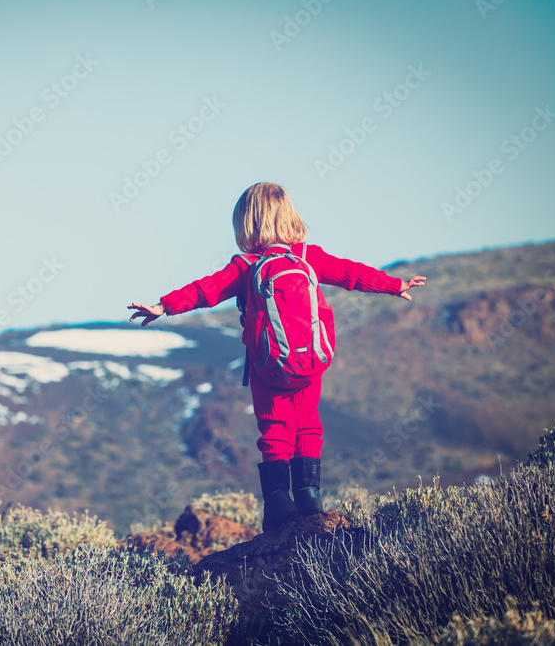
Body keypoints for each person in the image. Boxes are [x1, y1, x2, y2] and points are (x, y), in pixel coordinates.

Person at [128, 182, 426, 530]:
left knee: (275, 429)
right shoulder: (306, 256)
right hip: (310, 363)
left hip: (267, 365)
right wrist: (394, 285)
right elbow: (350, 273)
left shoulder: (245, 266)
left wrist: (163, 306)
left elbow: (205, 290)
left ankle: (278, 503)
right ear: (288, 218)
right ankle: (310, 495)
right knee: (309, 425)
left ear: (247, 226)